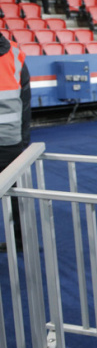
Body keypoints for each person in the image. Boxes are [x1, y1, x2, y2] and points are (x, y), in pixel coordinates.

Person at [0, 32, 30, 254]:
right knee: (15, 195)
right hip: (11, 140)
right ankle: (20, 241)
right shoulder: (15, 53)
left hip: (11, 140)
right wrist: (24, 140)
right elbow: (26, 101)